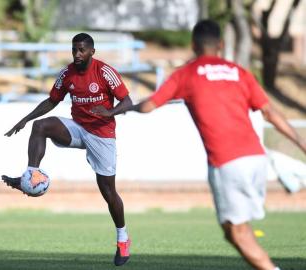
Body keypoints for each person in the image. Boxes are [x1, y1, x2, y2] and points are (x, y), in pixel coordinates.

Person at [92, 20, 306, 270]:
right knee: (236, 229)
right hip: (257, 158)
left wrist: (123, 109)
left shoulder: (187, 73)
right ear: (221, 45)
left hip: (227, 163)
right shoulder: (239, 72)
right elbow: (270, 113)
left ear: (193, 45)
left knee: (236, 232)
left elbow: (149, 106)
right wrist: (301, 143)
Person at [2, 33, 131, 266]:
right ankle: (30, 175)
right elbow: (52, 101)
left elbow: (127, 102)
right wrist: (25, 119)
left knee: (108, 192)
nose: (77, 54)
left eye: (82, 50)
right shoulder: (67, 73)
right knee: (40, 126)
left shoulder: (104, 72)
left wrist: (110, 113)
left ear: (92, 51)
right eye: (74, 50)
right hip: (77, 128)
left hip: (102, 134)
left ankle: (123, 238)